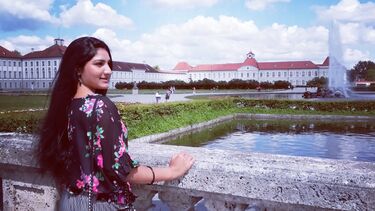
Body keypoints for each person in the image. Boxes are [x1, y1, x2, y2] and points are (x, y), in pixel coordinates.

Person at [36, 37, 195, 210]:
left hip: (71, 201)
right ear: (78, 69)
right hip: (100, 204)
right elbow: (120, 170)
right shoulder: (101, 106)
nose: (108, 70)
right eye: (99, 64)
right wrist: (172, 171)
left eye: (109, 64)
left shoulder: (68, 104)